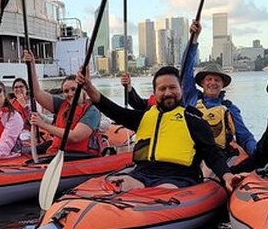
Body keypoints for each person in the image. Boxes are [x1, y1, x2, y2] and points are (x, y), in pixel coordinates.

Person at [77, 64, 233, 190]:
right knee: (118, 184)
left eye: (172, 87)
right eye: (162, 89)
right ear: (155, 92)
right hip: (142, 174)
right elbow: (114, 111)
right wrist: (89, 86)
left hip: (178, 178)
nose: (168, 93)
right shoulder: (144, 117)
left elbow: (213, 155)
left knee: (162, 190)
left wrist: (226, 175)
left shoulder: (195, 121)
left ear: (181, 89)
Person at [182, 20, 257, 156]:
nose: (213, 83)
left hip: (219, 156)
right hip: (191, 154)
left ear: (222, 85)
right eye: (209, 79)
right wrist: (193, 39)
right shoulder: (191, 98)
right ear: (202, 83)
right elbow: (186, 69)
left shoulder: (230, 108)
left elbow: (244, 136)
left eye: (217, 80)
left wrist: (258, 154)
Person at [22, 50, 103, 157]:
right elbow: (37, 93)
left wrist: (43, 125)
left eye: (74, 89)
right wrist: (31, 64)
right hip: (60, 152)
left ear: (83, 90)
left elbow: (75, 136)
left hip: (80, 156)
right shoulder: (62, 105)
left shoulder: (92, 111)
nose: (70, 94)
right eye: (66, 91)